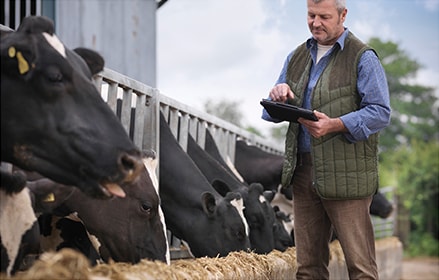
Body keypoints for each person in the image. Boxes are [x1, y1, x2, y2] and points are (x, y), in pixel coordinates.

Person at [262, 0, 391, 279]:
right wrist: (279, 94)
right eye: (311, 15)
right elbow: (269, 113)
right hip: (304, 171)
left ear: (343, 15)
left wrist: (336, 124)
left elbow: (380, 112)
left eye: (324, 16)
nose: (316, 22)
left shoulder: (363, 57)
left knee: (361, 269)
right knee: (308, 269)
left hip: (348, 173)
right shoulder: (296, 56)